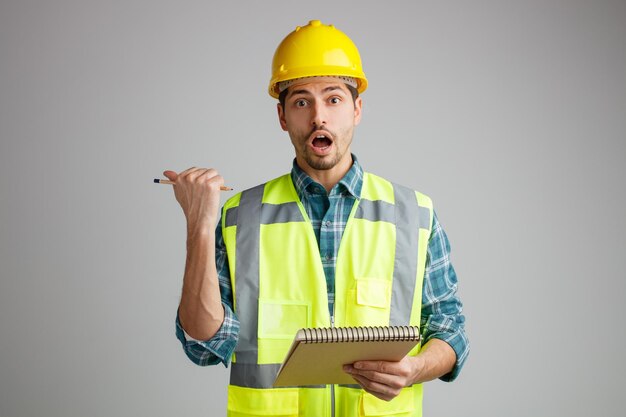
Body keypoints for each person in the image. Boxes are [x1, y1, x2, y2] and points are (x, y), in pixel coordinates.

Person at [165, 19, 468, 417]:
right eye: (302, 101)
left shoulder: (415, 214)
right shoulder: (240, 216)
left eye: (334, 99)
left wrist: (413, 369)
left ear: (357, 109)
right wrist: (199, 224)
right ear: (282, 117)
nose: (318, 117)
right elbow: (203, 344)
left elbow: (450, 330)